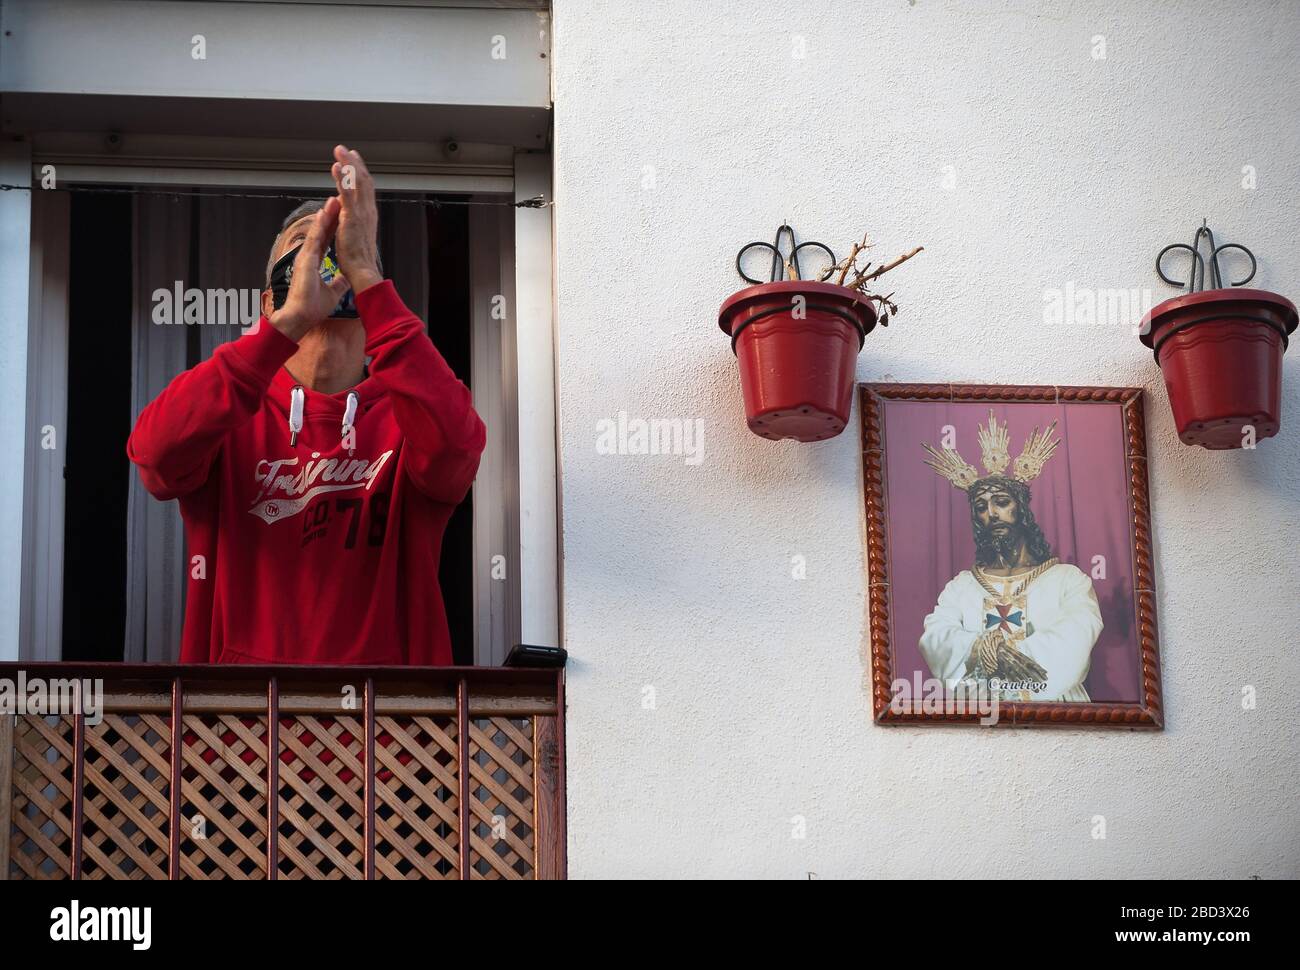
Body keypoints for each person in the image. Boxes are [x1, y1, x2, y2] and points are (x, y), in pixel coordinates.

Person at [127, 145, 485, 664]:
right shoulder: (229, 411)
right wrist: (288, 325)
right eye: (302, 252)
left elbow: (459, 447)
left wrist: (366, 273)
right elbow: (155, 459)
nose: (321, 263)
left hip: (388, 736)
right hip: (242, 735)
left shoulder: (407, 413)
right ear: (269, 300)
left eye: (338, 250)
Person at [919, 411, 1102, 701]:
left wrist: (1007, 656)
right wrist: (989, 651)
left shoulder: (1067, 580)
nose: (991, 513)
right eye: (981, 507)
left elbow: (1076, 637)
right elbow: (936, 638)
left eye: (1001, 503)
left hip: (1056, 711)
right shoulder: (962, 587)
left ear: (1022, 510)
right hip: (982, 711)